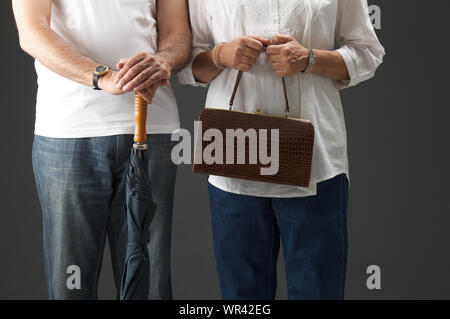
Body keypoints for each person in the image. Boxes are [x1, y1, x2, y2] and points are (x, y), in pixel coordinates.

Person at [179, 0, 385, 300]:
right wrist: (220, 54)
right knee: (241, 299)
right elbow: (188, 66)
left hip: (315, 164)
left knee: (318, 292)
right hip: (234, 162)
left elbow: (367, 52)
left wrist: (309, 59)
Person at [12, 0, 191, 300]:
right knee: (71, 286)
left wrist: (164, 61)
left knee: (149, 286)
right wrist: (101, 75)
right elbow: (32, 31)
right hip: (69, 133)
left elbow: (177, 32)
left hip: (152, 129)